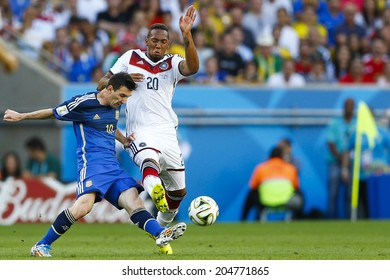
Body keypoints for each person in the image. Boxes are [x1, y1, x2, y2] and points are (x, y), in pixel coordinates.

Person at [3, 72, 186, 257]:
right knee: (83, 207)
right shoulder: (83, 104)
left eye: (127, 98)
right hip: (91, 164)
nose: (123, 101)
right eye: (122, 95)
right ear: (109, 89)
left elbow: (109, 127)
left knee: (135, 202)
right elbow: (53, 112)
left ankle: (160, 233)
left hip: (112, 166)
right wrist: (21, 116)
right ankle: (41, 245)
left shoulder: (115, 105)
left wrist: (123, 141)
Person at [97, 5, 199, 227]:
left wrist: (187, 34)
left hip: (166, 131)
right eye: (154, 41)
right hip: (139, 129)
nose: (158, 45)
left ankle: (162, 226)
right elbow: (102, 84)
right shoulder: (130, 58)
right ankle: (154, 188)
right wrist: (123, 78)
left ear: (168, 45)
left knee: (179, 192)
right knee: (148, 161)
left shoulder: (171, 63)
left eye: (163, 42)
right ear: (146, 41)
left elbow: (192, 67)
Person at [243, 146, 303, 221]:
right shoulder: (290, 168)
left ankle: (244, 220)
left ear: (269, 156)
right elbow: (296, 186)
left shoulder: (261, 168)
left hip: (265, 201)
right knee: (300, 193)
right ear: (282, 156)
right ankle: (298, 217)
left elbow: (252, 186)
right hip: (286, 201)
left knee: (251, 193)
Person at [325, 98, 356, 219]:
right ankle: (331, 219)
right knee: (333, 193)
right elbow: (331, 143)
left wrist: (347, 161)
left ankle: (350, 219)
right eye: (347, 105)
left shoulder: (356, 123)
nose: (349, 108)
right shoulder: (334, 123)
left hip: (352, 163)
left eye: (351, 106)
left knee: (350, 194)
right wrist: (341, 158)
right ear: (343, 107)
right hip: (335, 162)